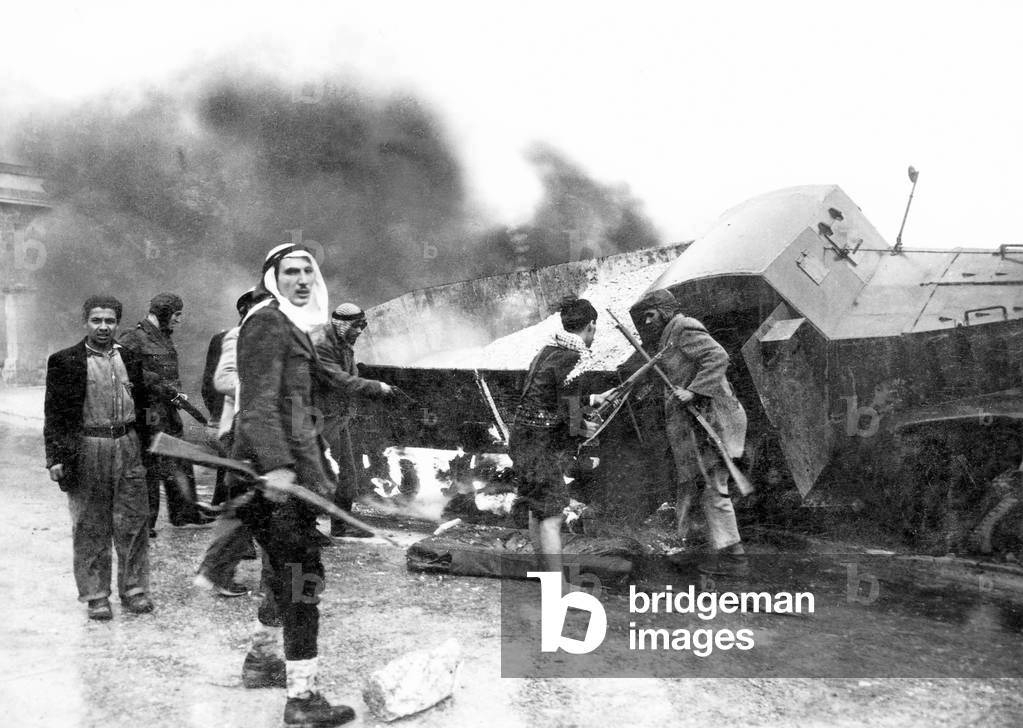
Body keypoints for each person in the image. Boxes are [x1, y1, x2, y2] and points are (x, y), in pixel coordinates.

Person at [232, 243, 355, 727]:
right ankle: (302, 698)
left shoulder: (292, 324)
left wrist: (318, 475)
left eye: (308, 271)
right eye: (290, 272)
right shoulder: (267, 322)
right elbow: (259, 405)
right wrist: (281, 467)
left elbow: (297, 411)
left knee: (283, 577)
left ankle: (262, 660)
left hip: (291, 475)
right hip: (271, 478)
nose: (302, 280)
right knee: (303, 586)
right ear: (272, 278)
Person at [44, 295, 154, 620]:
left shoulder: (131, 359)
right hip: (88, 446)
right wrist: (55, 457)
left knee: (134, 521)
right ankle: (96, 596)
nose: (103, 327)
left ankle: (134, 590)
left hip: (127, 443)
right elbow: (55, 414)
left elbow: (144, 406)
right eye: (96, 320)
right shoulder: (65, 361)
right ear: (85, 322)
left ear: (117, 323)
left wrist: (147, 449)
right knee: (90, 523)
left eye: (109, 321)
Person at [630, 288, 750, 577]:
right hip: (696, 425)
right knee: (693, 487)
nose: (646, 322)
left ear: (665, 310)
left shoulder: (683, 327)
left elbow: (718, 357)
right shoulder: (667, 336)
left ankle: (735, 560)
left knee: (712, 490)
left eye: (650, 315)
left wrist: (694, 390)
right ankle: (699, 550)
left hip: (715, 422)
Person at [509, 296, 607, 587]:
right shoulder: (574, 357)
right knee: (552, 514)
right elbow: (568, 408)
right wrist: (584, 429)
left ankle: (544, 574)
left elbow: (551, 395)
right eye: (594, 329)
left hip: (521, 440)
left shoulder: (548, 350)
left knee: (534, 507)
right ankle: (557, 586)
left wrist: (590, 400)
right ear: (590, 326)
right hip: (541, 446)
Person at [193, 289, 265, 599]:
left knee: (251, 503)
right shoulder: (235, 337)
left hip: (263, 429)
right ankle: (215, 571)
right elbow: (219, 382)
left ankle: (217, 571)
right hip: (243, 429)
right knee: (248, 503)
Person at [119, 292, 210, 532]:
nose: (179, 320)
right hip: (146, 411)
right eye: (177, 315)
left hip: (168, 409)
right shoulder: (132, 337)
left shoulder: (164, 337)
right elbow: (122, 368)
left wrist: (176, 393)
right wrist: (156, 382)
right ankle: (145, 522)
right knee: (151, 463)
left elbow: (171, 372)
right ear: (165, 313)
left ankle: (186, 513)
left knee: (179, 457)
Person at [311, 302, 393, 538]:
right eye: (356, 326)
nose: (360, 331)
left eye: (363, 326)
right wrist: (376, 386)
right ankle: (305, 526)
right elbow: (337, 379)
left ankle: (341, 524)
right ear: (342, 324)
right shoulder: (321, 345)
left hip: (339, 416)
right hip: (318, 418)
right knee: (312, 474)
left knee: (349, 473)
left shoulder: (343, 343)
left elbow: (349, 374)